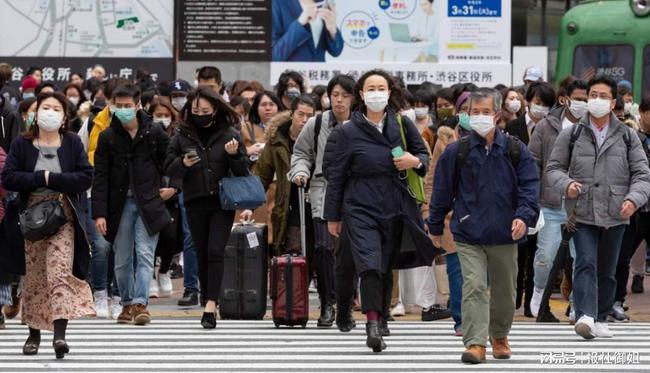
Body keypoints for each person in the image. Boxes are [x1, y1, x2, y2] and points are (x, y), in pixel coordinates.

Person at [324, 69, 437, 352]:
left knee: (385, 264)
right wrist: (333, 215)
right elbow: (335, 175)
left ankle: (382, 315)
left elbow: (423, 156)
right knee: (369, 264)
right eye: (370, 88)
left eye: (381, 87)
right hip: (360, 206)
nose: (376, 92)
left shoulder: (401, 123)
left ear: (389, 92)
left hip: (396, 205)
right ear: (361, 95)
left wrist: (414, 161)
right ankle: (372, 323)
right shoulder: (347, 131)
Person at [428, 88, 540, 363]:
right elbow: (441, 191)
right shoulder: (457, 152)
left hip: (505, 232)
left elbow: (529, 187)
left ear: (497, 115)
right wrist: (434, 227)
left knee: (505, 290)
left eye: (485, 112)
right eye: (474, 112)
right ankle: (475, 343)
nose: (480, 117)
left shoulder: (515, 150)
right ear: (466, 116)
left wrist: (523, 217)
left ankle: (499, 335)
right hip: (468, 233)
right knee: (474, 286)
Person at [546, 75, 650, 340]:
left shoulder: (628, 136)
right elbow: (553, 168)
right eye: (593, 94)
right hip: (582, 210)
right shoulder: (573, 133)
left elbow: (642, 174)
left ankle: (601, 316)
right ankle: (585, 315)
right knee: (585, 262)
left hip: (617, 213)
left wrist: (633, 199)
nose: (597, 100)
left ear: (613, 102)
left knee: (608, 269)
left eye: (603, 96)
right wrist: (566, 184)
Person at [2, 91, 95, 358]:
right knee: (34, 277)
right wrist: (38, 177)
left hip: (63, 216)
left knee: (58, 272)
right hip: (30, 217)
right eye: (45, 107)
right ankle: (33, 334)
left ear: (65, 116)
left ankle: (59, 336)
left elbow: (85, 177)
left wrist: (52, 179)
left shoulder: (72, 142)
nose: (50, 113)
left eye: (56, 108)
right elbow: (9, 178)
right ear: (35, 113)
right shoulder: (22, 144)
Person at [164, 87, 248, 329]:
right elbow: (168, 167)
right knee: (201, 252)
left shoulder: (229, 133)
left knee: (215, 250)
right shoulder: (181, 134)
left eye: (206, 110)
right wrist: (182, 163)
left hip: (221, 201)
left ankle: (211, 304)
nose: (200, 114)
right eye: (196, 110)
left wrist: (233, 156)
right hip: (194, 200)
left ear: (216, 110)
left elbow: (242, 170)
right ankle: (208, 295)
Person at [92, 83, 173, 326]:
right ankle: (126, 303)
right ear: (112, 106)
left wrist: (172, 187)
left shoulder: (154, 132)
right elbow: (100, 178)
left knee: (146, 254)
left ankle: (140, 303)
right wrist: (99, 214)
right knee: (122, 258)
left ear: (138, 105)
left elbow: (169, 161)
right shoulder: (107, 136)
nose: (124, 110)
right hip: (119, 204)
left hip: (149, 201)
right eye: (120, 106)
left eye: (129, 106)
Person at [288, 74, 356, 330]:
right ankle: (328, 302)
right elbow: (301, 153)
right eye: (334, 94)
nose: (338, 100)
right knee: (325, 248)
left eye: (344, 95)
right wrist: (300, 171)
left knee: (350, 250)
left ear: (354, 97)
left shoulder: (362, 124)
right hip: (322, 188)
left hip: (355, 192)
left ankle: (347, 303)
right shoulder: (317, 123)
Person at [528, 79, 588, 321]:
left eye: (587, 99)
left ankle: (577, 304)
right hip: (551, 202)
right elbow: (533, 162)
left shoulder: (592, 127)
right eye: (579, 99)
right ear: (565, 99)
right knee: (546, 255)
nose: (583, 104)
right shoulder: (546, 126)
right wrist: (534, 197)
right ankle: (539, 291)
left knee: (580, 257)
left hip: (582, 206)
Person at [242, 94, 316, 255]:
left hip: (317, 205)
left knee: (321, 255)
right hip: (289, 206)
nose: (304, 120)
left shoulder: (320, 138)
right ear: (292, 114)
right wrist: (249, 205)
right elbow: (262, 176)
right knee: (293, 254)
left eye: (309, 116)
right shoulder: (277, 141)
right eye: (301, 114)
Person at [611, 95, 650, 322]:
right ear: (643, 112)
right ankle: (616, 299)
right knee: (621, 255)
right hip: (635, 207)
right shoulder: (632, 136)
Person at [148, 97, 183, 298]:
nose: (162, 119)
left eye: (166, 115)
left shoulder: (178, 136)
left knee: (171, 236)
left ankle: (164, 271)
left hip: (172, 193)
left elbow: (183, 165)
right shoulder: (147, 135)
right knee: (150, 236)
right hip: (150, 192)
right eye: (158, 115)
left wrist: (175, 189)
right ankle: (151, 276)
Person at [272, 0, 344, 62]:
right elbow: (274, 55)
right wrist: (300, 23)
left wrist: (332, 29)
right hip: (292, 75)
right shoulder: (277, 3)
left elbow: (336, 51)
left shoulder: (323, 3)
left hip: (318, 74)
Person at [244, 91, 282, 164]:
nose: (268, 108)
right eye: (263, 105)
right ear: (256, 108)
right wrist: (247, 150)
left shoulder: (286, 127)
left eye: (271, 104)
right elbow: (236, 152)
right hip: (254, 171)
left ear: (278, 107)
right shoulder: (245, 128)